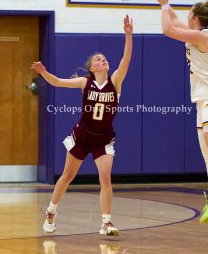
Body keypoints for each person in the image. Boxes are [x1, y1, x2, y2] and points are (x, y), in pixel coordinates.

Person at [31, 15, 133, 235]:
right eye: (98, 59)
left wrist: (128, 35)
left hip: (104, 137)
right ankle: (51, 210)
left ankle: (106, 223)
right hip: (83, 135)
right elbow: (57, 82)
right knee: (68, 176)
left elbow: (126, 59)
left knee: (105, 178)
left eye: (104, 57)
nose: (102, 59)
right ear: (92, 68)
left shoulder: (115, 82)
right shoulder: (84, 82)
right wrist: (43, 72)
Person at [148, 0, 208, 224]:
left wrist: (164, 6)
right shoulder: (195, 34)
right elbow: (176, 22)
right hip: (202, 100)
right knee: (207, 151)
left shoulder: (205, 37)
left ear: (196, 19)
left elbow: (168, 29)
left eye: (189, 15)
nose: (186, 18)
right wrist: (166, 5)